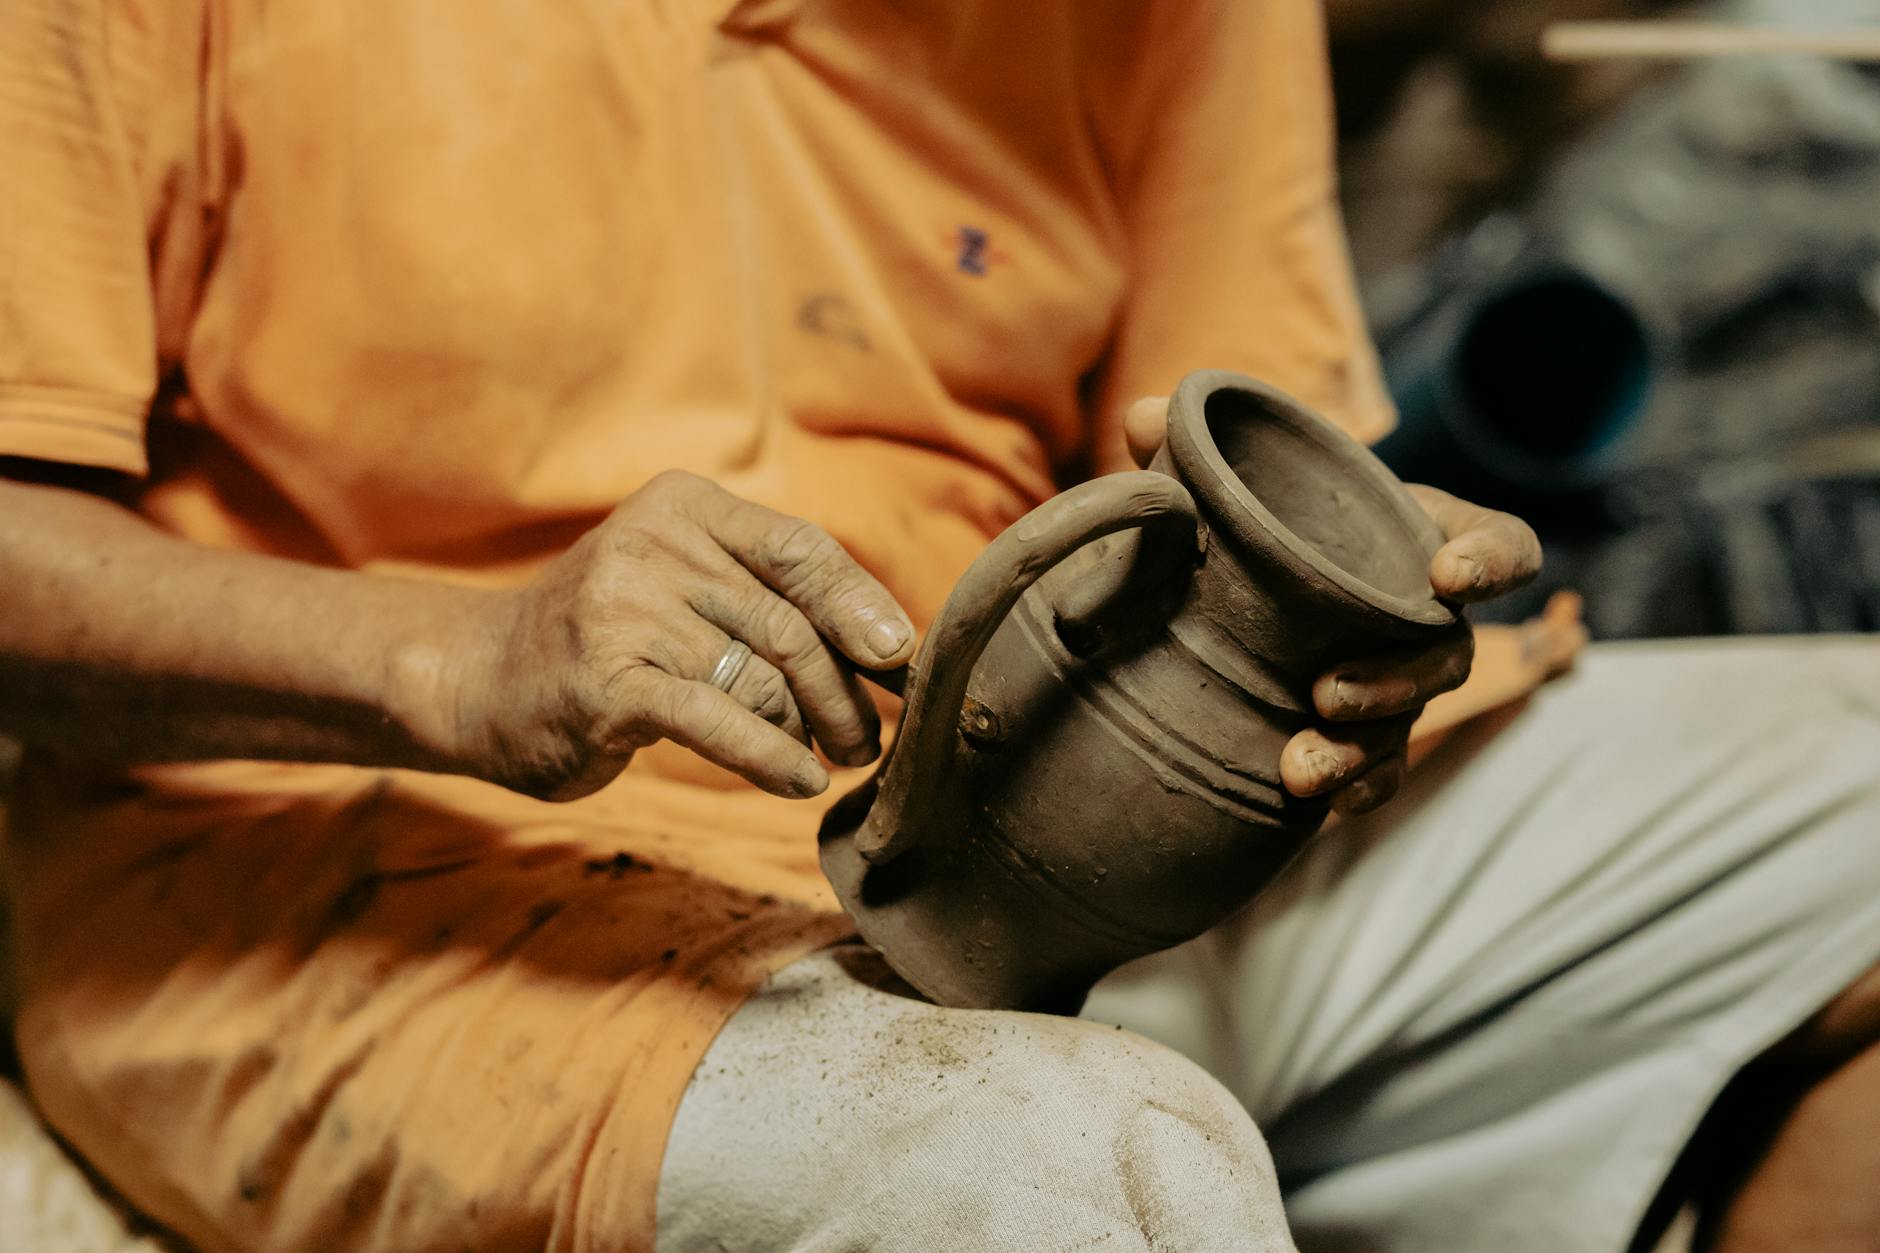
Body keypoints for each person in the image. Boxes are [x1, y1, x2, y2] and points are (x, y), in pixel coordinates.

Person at [1, 1, 1875, 1250]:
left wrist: (1358, 600)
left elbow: (1225, 442)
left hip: (1050, 831)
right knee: (1083, 1170)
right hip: (367, 865)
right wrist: (468, 661)